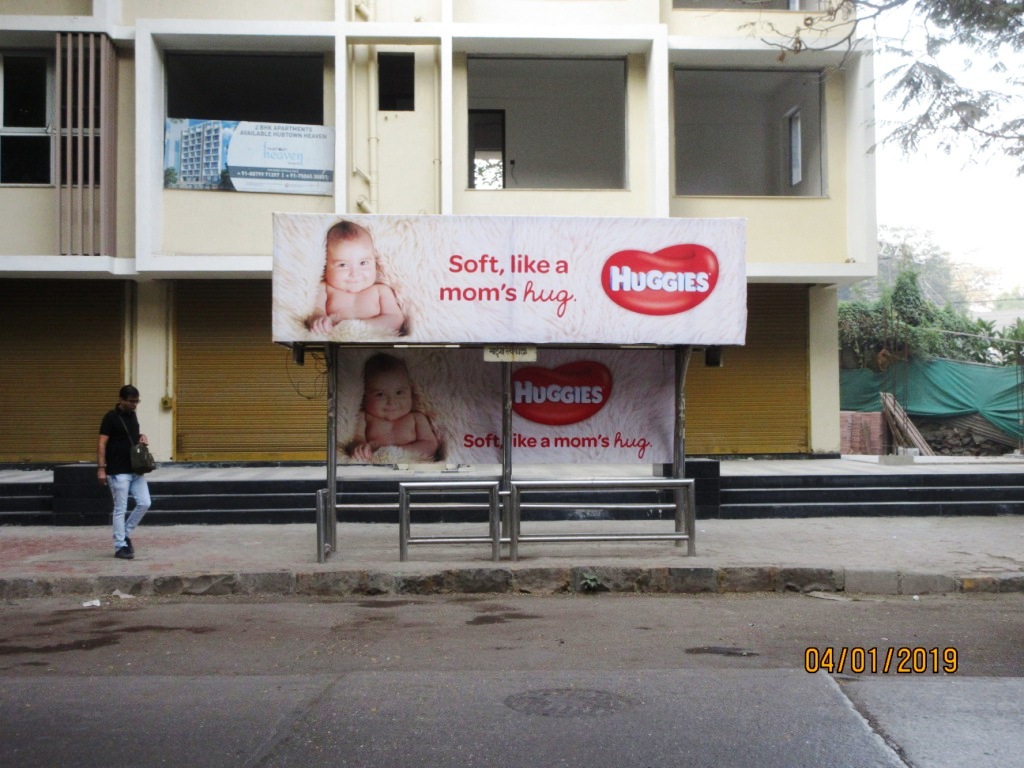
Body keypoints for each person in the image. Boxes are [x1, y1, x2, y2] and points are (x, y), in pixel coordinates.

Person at [304, 220, 405, 335]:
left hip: (375, 343)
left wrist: (358, 326)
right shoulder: (325, 289)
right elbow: (315, 310)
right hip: (337, 344)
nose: (354, 273)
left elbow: (395, 319)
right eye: (343, 265)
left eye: (363, 263)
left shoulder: (381, 290)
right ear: (325, 266)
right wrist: (318, 319)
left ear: (375, 263)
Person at [345, 354, 442, 462]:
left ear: (411, 391)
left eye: (399, 392)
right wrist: (359, 448)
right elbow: (355, 440)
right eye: (380, 394)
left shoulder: (416, 418)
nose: (392, 402)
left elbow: (431, 444)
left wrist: (398, 452)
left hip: (411, 467)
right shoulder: (364, 418)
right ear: (364, 395)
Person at [97, 385, 152, 560]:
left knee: (145, 503)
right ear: (121, 399)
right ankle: (120, 546)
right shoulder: (110, 417)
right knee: (120, 508)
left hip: (136, 469)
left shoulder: (132, 416)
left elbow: (130, 436)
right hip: (117, 470)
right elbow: (102, 443)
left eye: (136, 401)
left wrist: (141, 436)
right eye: (131, 401)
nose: (134, 404)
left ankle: (124, 533)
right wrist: (101, 468)